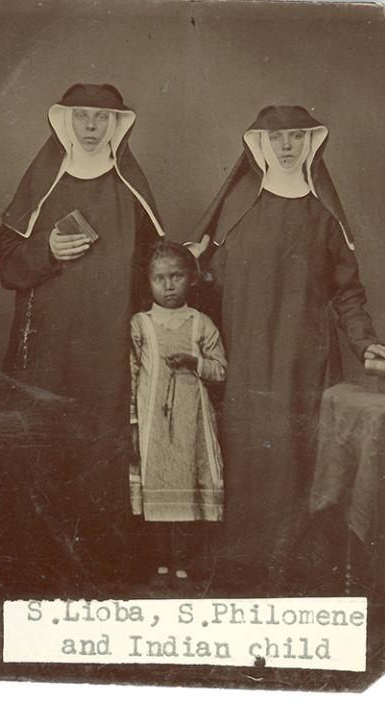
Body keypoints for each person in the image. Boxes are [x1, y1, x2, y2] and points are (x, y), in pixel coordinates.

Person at [189, 105, 385, 589]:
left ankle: (300, 567)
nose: (286, 146)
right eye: (276, 137)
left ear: (310, 143)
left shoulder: (323, 213)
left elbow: (347, 290)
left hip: (307, 358)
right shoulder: (237, 208)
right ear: (261, 143)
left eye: (296, 137)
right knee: (248, 455)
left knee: (304, 456)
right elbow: (203, 282)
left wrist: (365, 342)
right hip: (246, 357)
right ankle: (243, 562)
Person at [0, 83, 164, 596]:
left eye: (103, 119)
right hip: (43, 348)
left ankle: (101, 571)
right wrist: (46, 250)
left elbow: (154, 268)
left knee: (98, 451)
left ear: (117, 127)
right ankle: (33, 569)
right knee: (40, 447)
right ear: (67, 122)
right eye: (83, 117)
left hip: (106, 349)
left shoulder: (129, 188)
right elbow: (6, 265)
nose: (92, 127)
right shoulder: (44, 180)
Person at [130, 241, 226, 588]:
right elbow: (130, 375)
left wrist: (194, 362)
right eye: (160, 279)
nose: (168, 286)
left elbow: (221, 369)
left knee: (186, 488)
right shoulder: (140, 325)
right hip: (153, 421)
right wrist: (133, 423)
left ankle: (182, 565)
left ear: (192, 279)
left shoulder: (201, 324)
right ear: (149, 282)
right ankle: (160, 564)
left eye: (177, 277)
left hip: (191, 422)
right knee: (157, 489)